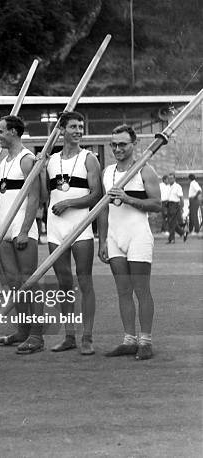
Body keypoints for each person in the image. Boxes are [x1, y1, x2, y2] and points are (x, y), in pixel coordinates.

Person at [98, 124, 161, 360]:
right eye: (113, 144)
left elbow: (156, 204)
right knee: (122, 291)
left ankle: (145, 341)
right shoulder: (107, 172)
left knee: (141, 289)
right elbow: (103, 209)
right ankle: (129, 339)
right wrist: (102, 240)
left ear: (134, 144)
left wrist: (127, 198)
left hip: (138, 235)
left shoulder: (145, 170)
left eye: (122, 144)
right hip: (114, 236)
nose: (117, 149)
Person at [40, 111, 101, 355]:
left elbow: (97, 194)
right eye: (73, 127)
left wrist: (69, 204)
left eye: (81, 127)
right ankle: (69, 336)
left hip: (80, 226)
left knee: (84, 281)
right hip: (56, 229)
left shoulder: (89, 158)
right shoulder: (52, 160)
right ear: (61, 130)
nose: (78, 131)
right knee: (64, 283)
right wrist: (39, 168)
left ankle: (87, 338)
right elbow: (46, 197)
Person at [0, 115, 43, 354]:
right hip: (4, 227)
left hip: (22, 227)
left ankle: (37, 336)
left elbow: (34, 197)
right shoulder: (3, 163)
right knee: (13, 282)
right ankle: (22, 330)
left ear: (13, 132)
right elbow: (6, 197)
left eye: (0, 132)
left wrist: (24, 230)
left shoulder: (27, 159)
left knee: (29, 280)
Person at [165, 173, 186, 243]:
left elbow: (181, 197)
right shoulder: (167, 186)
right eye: (169, 178)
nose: (170, 180)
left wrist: (182, 206)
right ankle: (183, 233)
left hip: (175, 205)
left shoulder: (178, 186)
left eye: (171, 178)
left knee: (171, 222)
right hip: (168, 204)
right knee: (171, 222)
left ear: (174, 179)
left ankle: (171, 239)